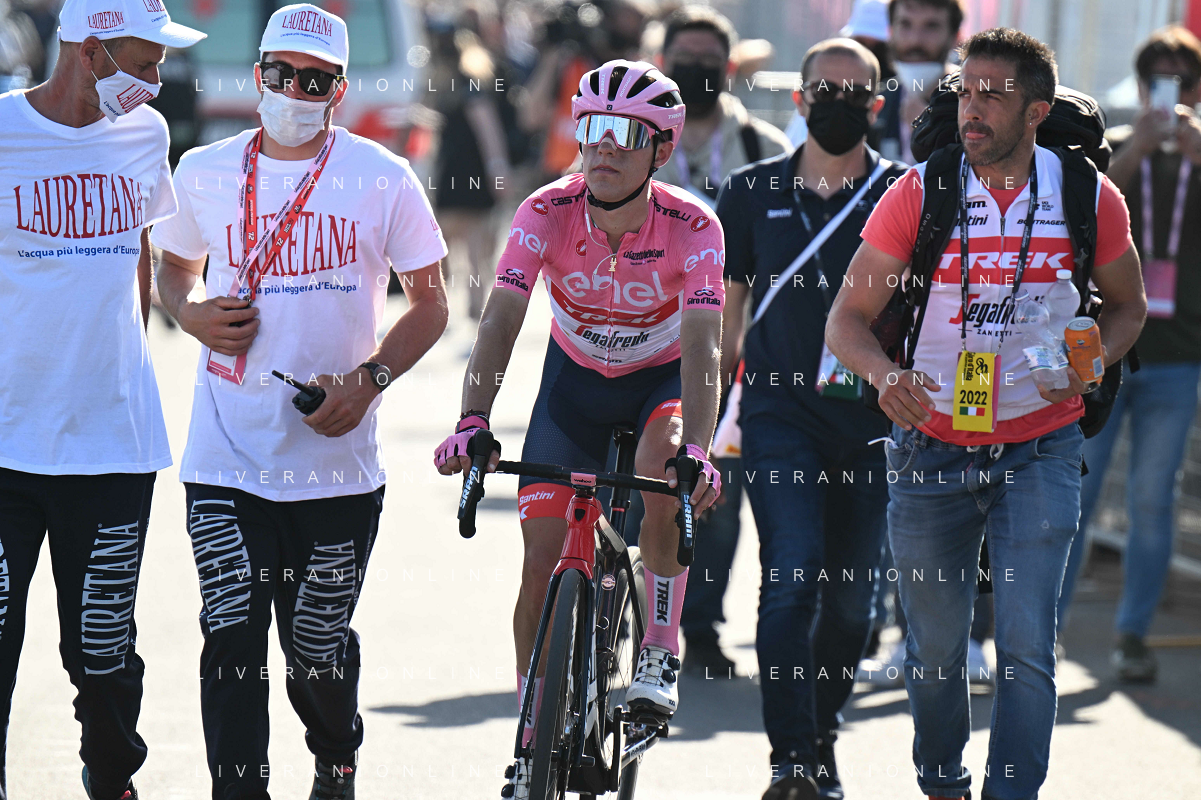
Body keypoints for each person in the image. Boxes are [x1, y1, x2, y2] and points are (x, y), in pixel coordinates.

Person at [826, 28, 1146, 800]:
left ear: (1035, 111)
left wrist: (1089, 363)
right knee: (935, 652)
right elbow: (845, 320)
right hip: (929, 445)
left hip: (1039, 446)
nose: (971, 108)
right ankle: (942, 780)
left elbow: (1127, 308)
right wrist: (884, 376)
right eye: (964, 91)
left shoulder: (1085, 196)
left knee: (1027, 648)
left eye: (992, 95)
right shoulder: (920, 191)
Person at [150, 5, 449, 799]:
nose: (293, 92)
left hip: (335, 464)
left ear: (338, 90)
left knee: (315, 651)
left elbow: (432, 303)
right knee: (231, 636)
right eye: (280, 75)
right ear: (258, 76)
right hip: (224, 454)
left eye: (314, 81)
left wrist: (370, 380)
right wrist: (189, 313)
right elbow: (172, 269)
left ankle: (335, 753)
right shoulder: (203, 170)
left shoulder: (382, 176)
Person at [433, 59, 724, 800]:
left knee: (663, 469)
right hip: (574, 386)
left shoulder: (694, 226)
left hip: (658, 382)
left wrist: (698, 448)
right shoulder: (545, 211)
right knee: (539, 563)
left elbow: (703, 346)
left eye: (628, 135)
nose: (605, 148)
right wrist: (473, 418)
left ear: (661, 149)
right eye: (593, 129)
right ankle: (532, 733)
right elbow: (501, 319)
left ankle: (658, 647)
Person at [0, 1, 203, 798]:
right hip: (7, 444)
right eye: (142, 63)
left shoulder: (145, 134)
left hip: (113, 444)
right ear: (89, 52)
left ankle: (113, 780)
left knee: (102, 648)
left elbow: (141, 256)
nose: (154, 82)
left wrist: (123, 356)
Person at [718, 38, 906, 800]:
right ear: (797, 100)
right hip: (777, 416)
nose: (837, 103)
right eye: (823, 90)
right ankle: (790, 758)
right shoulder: (748, 190)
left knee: (853, 607)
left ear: (877, 105)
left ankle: (820, 734)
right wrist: (705, 422)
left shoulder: (903, 192)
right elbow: (724, 322)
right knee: (790, 578)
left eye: (854, 93)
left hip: (870, 423)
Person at [1058, 24, 1201, 683]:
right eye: (1158, 80)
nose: (1170, 93)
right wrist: (1136, 149)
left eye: (1183, 81)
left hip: (1177, 355)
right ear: (1141, 87)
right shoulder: (1111, 148)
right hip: (1105, 352)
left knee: (1151, 499)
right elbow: (1077, 218)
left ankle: (1132, 635)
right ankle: (1046, 632)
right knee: (1077, 494)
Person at [653, 3, 791, 675]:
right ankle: (628, 610)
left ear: (730, 67)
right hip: (640, 339)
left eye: (709, 62)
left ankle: (699, 626)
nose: (697, 71)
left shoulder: (765, 148)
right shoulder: (634, 138)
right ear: (662, 64)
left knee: (714, 490)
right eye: (684, 61)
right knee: (635, 485)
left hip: (731, 348)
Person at [875, 0, 963, 164]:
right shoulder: (878, 101)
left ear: (955, 37)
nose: (915, 40)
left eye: (931, 26)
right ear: (890, 32)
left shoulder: (974, 103)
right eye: (905, 24)